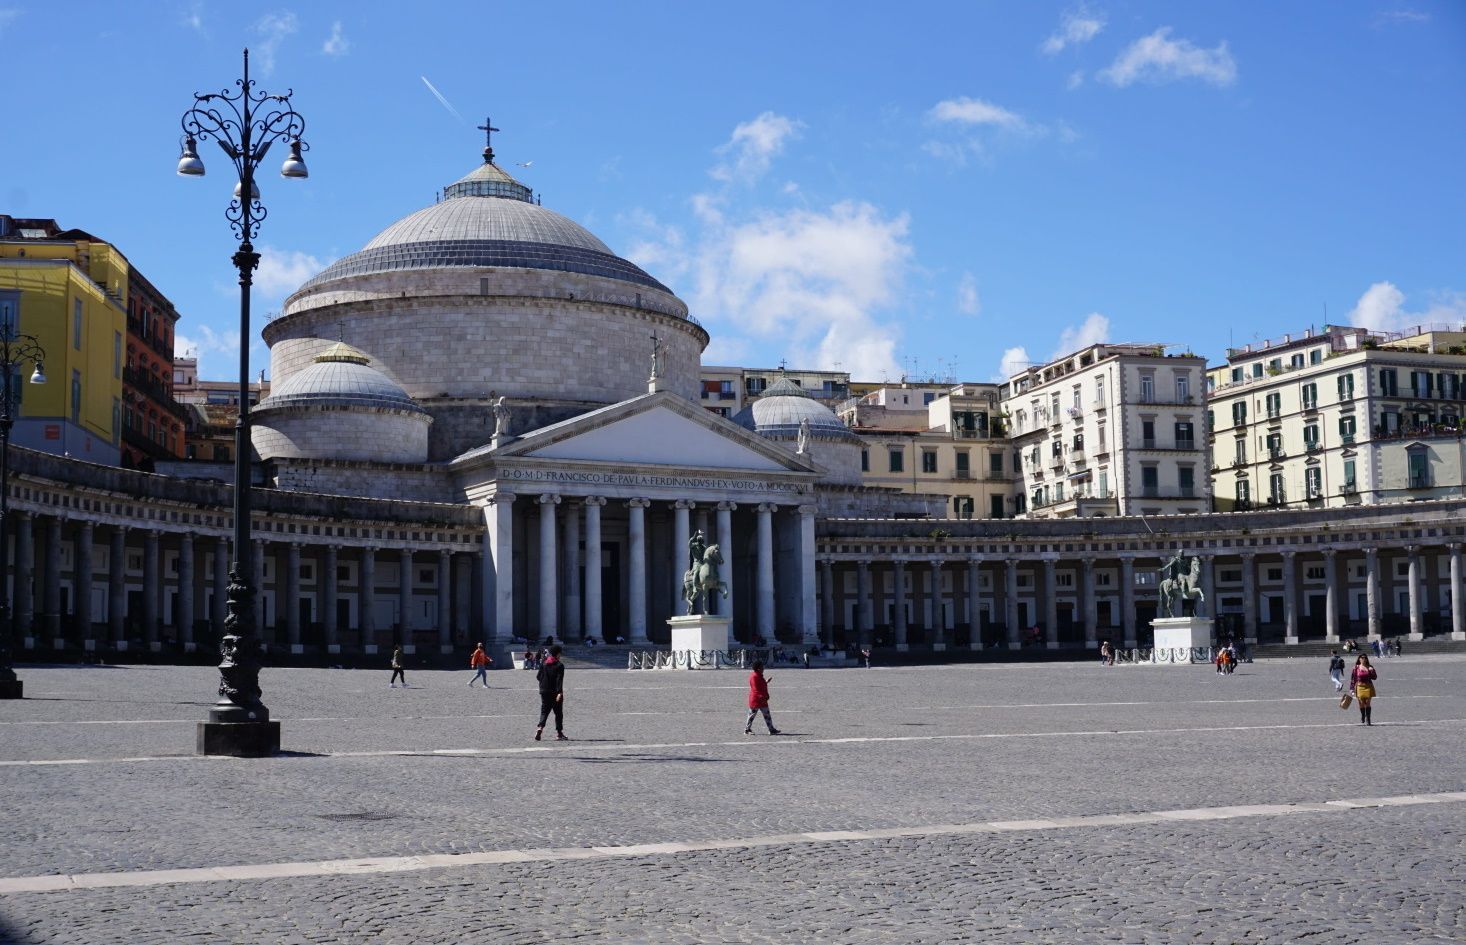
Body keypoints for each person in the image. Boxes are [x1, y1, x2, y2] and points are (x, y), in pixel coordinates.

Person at [534, 644, 568, 741]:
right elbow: (559, 680)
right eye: (559, 653)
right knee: (558, 713)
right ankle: (559, 733)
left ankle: (540, 727)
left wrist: (543, 684)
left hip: (544, 691)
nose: (560, 655)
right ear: (557, 653)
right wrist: (559, 693)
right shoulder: (559, 665)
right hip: (555, 692)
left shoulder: (544, 663)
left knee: (544, 711)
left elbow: (538, 677)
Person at [744, 660, 780, 735]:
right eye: (762, 667)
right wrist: (764, 696)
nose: (763, 668)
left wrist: (766, 681)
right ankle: (747, 730)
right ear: (758, 668)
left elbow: (760, 685)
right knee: (751, 716)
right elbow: (756, 689)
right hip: (756, 700)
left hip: (762, 700)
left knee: (767, 715)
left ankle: (771, 729)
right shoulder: (754, 676)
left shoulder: (758, 675)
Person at [1351, 654, 1378, 726]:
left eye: (1365, 658)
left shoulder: (1370, 667)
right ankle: (1363, 715)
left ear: (1366, 659)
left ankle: (1368, 719)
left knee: (1368, 703)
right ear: (1359, 659)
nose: (1363, 659)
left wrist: (1372, 671)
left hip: (1368, 686)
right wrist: (1352, 689)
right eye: (1362, 658)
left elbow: (1374, 677)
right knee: (1361, 703)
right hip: (1359, 686)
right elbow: (1353, 679)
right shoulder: (1356, 668)